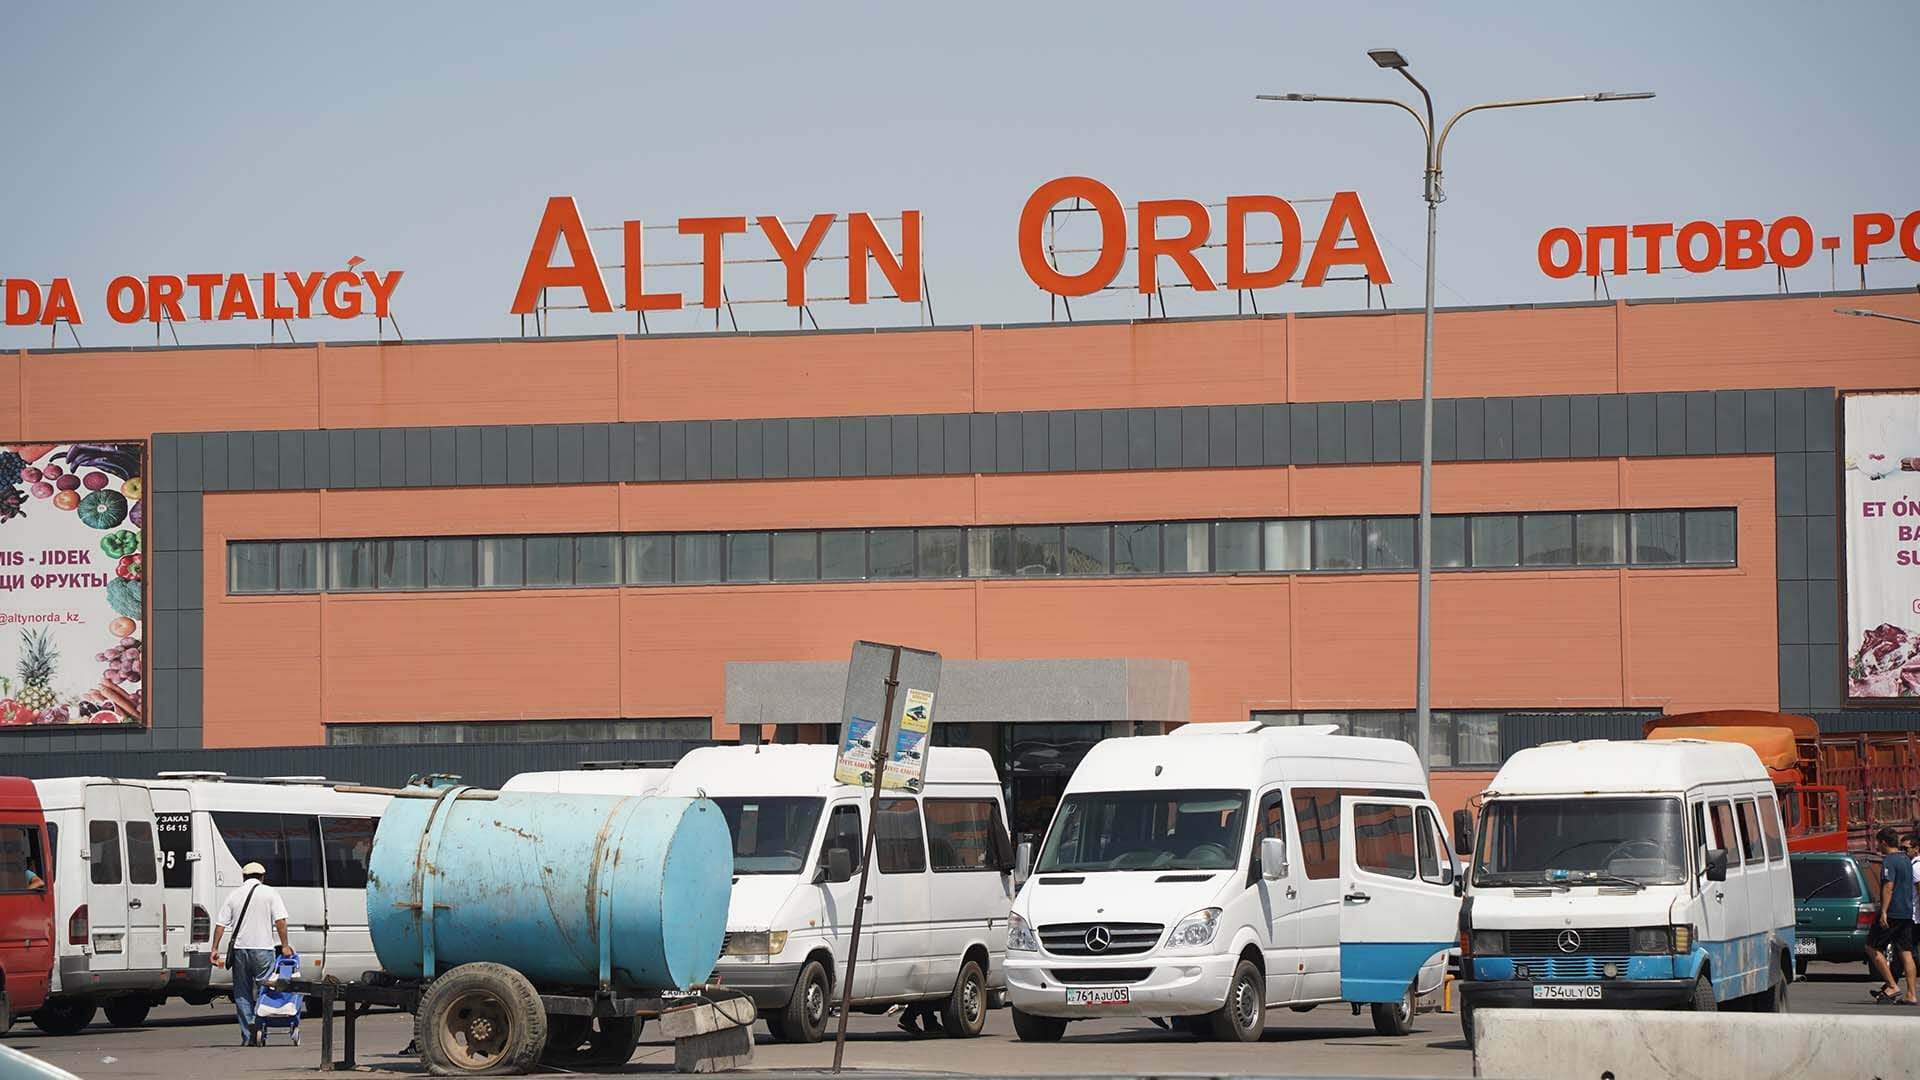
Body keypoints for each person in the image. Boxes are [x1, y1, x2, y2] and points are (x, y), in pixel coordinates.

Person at [209, 861, 293, 1045]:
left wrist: (214, 948)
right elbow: (281, 921)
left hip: (240, 950)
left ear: (243, 877)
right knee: (264, 990)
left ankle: (249, 1036)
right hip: (263, 949)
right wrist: (285, 946)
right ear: (262, 877)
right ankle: (260, 1028)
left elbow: (220, 924)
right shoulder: (270, 893)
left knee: (242, 993)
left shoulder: (234, 895)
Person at [1868, 827, 1916, 1006]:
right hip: (1906, 912)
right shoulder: (1906, 860)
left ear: (1884, 842)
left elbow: (1888, 886)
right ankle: (1911, 994)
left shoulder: (1889, 860)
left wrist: (1884, 911)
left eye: (1878, 842)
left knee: (1872, 947)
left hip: (1893, 912)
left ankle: (1892, 985)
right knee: (1905, 951)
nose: (1877, 846)